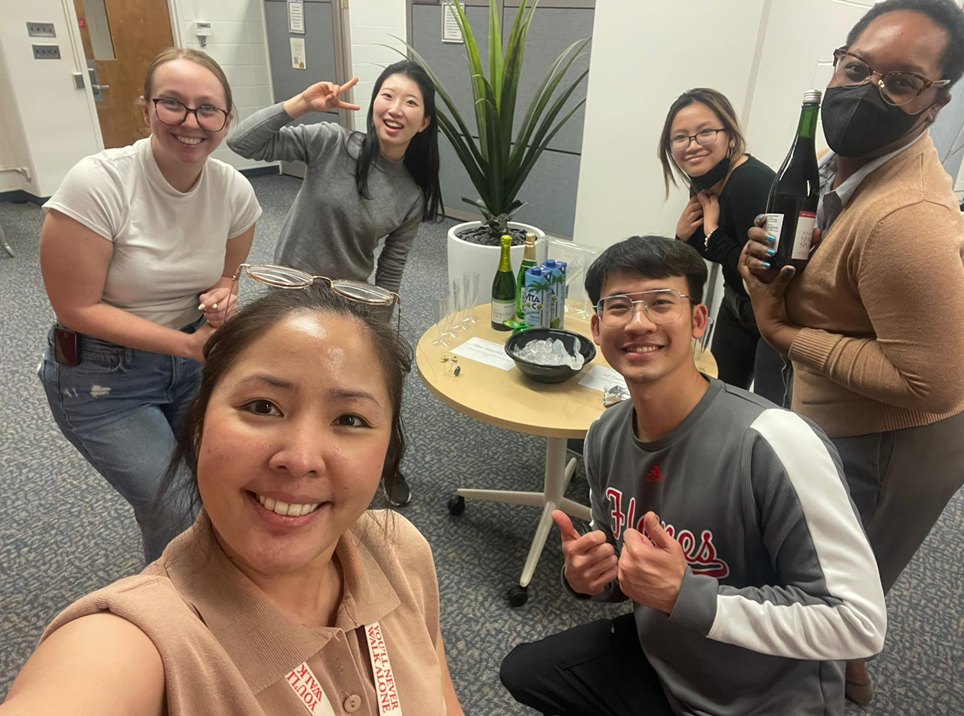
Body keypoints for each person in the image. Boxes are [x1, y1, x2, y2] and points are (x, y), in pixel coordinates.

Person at [3, 287, 464, 716]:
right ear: (199, 421)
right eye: (262, 407)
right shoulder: (140, 642)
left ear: (387, 448)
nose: (300, 459)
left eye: (349, 418)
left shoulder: (400, 551)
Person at [500, 236, 886, 716]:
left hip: (760, 699)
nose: (639, 322)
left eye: (662, 303)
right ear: (597, 329)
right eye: (619, 307)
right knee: (525, 672)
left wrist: (688, 596)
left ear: (698, 321)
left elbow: (857, 623)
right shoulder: (604, 433)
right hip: (667, 663)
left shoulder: (776, 443)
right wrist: (590, 579)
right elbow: (627, 574)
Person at [739, 0, 964, 704]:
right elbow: (844, 279)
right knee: (840, 574)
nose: (867, 91)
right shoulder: (843, 163)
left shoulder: (907, 222)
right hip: (837, 416)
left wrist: (781, 333)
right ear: (837, 63)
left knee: (834, 587)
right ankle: (852, 654)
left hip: (895, 442)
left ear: (935, 104)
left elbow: (925, 381)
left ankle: (822, 676)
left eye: (901, 82)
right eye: (858, 67)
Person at [38, 48, 261, 562]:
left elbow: (230, 272)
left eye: (208, 109)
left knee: (225, 481)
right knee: (177, 508)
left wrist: (224, 291)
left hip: (190, 364)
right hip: (101, 378)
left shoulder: (233, 191)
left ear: (225, 120)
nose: (191, 122)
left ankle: (227, 590)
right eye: (173, 104)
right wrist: (187, 344)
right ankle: (178, 618)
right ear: (145, 110)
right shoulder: (99, 183)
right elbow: (76, 308)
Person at [228, 59, 443, 508]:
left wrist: (380, 332)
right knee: (281, 386)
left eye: (409, 102)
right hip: (287, 294)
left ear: (423, 122)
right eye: (387, 95)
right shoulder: (331, 143)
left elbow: (391, 269)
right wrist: (299, 104)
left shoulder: (411, 193)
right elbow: (242, 142)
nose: (395, 108)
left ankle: (385, 461)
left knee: (370, 388)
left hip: (348, 303)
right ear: (373, 103)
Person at [659, 89, 787, 405]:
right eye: (681, 138)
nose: (692, 145)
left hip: (775, 311)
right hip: (737, 305)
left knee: (768, 409)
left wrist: (712, 232)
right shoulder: (707, 179)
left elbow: (761, 270)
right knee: (720, 395)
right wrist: (683, 237)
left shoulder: (749, 182)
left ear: (730, 136)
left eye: (705, 132)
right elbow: (708, 257)